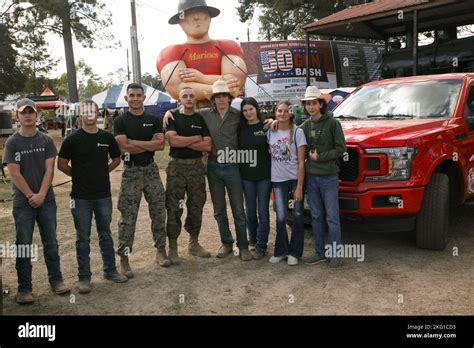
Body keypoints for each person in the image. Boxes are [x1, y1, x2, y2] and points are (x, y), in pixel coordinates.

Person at [164, 80, 269, 261]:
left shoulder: (238, 115)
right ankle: (226, 242)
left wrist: (272, 121)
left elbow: (255, 120)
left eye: (224, 96)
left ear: (229, 98)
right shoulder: (204, 114)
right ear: (213, 99)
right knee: (219, 209)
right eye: (218, 96)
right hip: (213, 166)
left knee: (238, 209)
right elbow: (186, 110)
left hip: (233, 165)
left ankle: (243, 245)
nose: (221, 99)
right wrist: (169, 112)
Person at [58, 100, 129, 294]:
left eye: (93, 111)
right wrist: (79, 175)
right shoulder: (72, 139)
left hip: (103, 195)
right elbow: (61, 164)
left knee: (105, 234)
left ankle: (110, 270)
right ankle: (84, 278)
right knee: (83, 237)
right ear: (80, 114)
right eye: (85, 111)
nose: (90, 114)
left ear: (98, 114)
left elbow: (117, 159)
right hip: (80, 197)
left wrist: (103, 172)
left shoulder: (107, 137)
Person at [3, 98, 70, 304]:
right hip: (23, 204)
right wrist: (31, 196)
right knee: (24, 244)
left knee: (50, 242)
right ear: (17, 116)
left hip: (46, 201)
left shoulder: (46, 140)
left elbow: (50, 169)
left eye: (31, 111)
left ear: (37, 115)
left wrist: (41, 194)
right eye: (24, 112)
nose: (28, 115)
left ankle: (56, 281)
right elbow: (14, 174)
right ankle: (25, 289)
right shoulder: (12, 143)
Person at [113, 83, 167, 277]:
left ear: (144, 98)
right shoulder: (120, 121)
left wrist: (133, 142)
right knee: (128, 216)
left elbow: (160, 146)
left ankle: (161, 250)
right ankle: (124, 258)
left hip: (151, 169)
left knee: (159, 211)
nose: (135, 98)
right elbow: (124, 149)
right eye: (131, 95)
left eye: (138, 95)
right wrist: (147, 145)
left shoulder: (153, 120)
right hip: (131, 171)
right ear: (126, 99)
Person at [157, 0, 247, 104]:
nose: (196, 17)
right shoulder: (170, 53)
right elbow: (178, 88)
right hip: (191, 115)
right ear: (180, 22)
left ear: (209, 18)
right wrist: (221, 87)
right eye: (189, 14)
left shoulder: (228, 46)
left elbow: (235, 80)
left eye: (200, 12)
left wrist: (202, 78)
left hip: (225, 112)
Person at [299, 86, 347, 268]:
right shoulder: (304, 126)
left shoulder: (333, 123)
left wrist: (321, 157)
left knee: (332, 217)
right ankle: (319, 253)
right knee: (316, 216)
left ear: (321, 104)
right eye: (307, 104)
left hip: (329, 177)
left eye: (313, 103)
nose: (310, 107)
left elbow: (341, 149)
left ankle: (336, 255)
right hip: (311, 178)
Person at [165, 86, 212, 264]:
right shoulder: (172, 116)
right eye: (185, 96)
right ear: (180, 99)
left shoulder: (201, 118)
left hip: (197, 168)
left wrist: (183, 142)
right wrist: (195, 138)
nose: (189, 98)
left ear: (196, 99)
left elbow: (208, 146)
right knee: (174, 206)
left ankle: (193, 243)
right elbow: (172, 140)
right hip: (176, 168)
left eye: (192, 96)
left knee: (196, 205)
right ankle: (173, 247)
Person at [267, 100, 307, 266]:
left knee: (297, 216)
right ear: (275, 113)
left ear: (291, 113)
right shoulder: (271, 131)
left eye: (285, 111)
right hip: (278, 180)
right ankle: (281, 250)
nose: (282, 113)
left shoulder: (298, 133)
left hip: (294, 179)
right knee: (281, 217)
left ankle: (295, 252)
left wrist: (299, 187)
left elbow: (301, 163)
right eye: (279, 111)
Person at [239, 97, 272, 259]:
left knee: (262, 211)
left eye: (251, 109)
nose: (248, 113)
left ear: (256, 109)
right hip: (247, 176)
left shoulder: (267, 126)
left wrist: (273, 121)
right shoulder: (240, 128)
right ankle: (252, 240)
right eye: (245, 110)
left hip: (264, 176)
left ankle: (261, 245)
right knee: (250, 211)